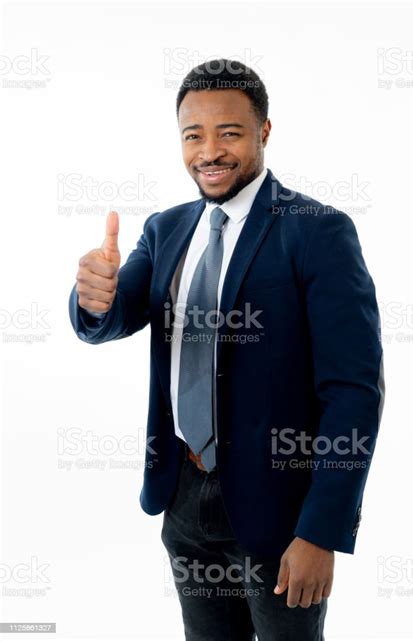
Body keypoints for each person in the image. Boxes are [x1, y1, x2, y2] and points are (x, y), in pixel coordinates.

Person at [69, 58, 385, 641]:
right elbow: (114, 315)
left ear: (265, 132)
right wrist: (93, 298)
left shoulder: (316, 230)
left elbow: (354, 392)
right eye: (194, 135)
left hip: (282, 511)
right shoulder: (166, 229)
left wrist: (322, 530)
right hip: (183, 498)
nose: (209, 151)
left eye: (230, 133)